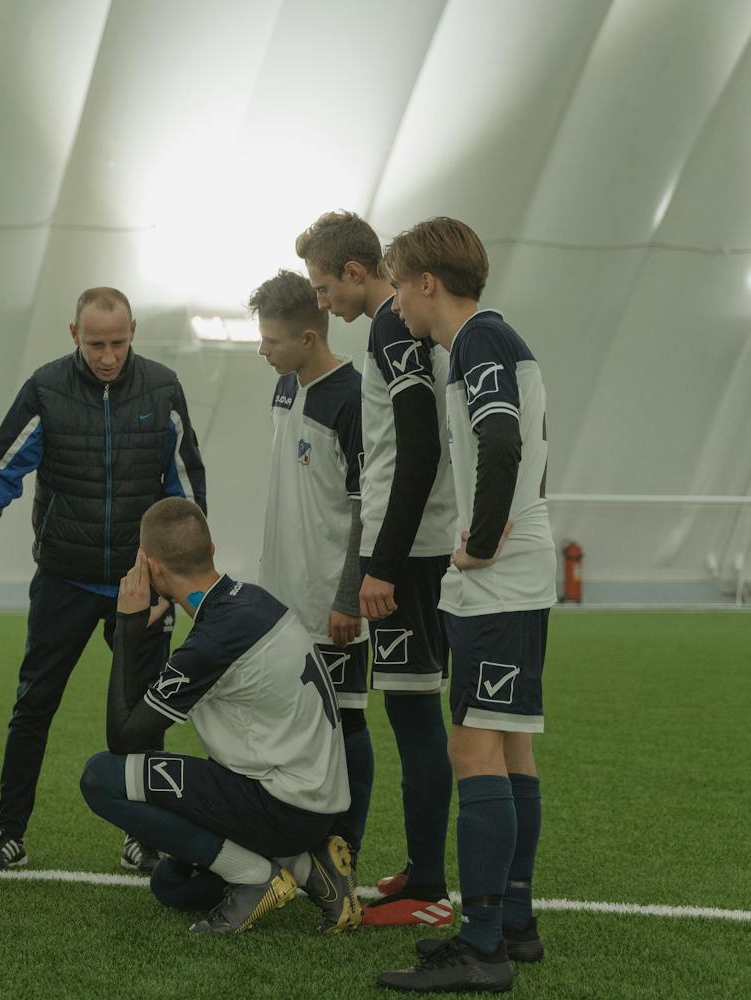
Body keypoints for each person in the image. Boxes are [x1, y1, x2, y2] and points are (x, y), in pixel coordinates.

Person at [0, 287, 206, 873]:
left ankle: (144, 834)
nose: (107, 356)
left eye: (118, 342)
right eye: (94, 343)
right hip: (64, 579)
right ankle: (9, 833)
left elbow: (186, 489)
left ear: (133, 330)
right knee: (34, 704)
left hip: (141, 586)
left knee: (146, 713)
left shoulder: (162, 388)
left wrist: (181, 582)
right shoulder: (46, 388)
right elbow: (4, 469)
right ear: (73, 333)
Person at [376, 217, 552, 993]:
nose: (395, 306)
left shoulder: (479, 341)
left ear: (424, 283)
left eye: (397, 286)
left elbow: (502, 441)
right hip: (515, 577)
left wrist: (479, 541)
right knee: (510, 748)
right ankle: (513, 925)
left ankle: (480, 947)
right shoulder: (492, 341)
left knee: (473, 749)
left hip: (500, 580)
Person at [79, 498, 361, 935]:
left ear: (150, 568)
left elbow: (124, 737)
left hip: (281, 806)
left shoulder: (215, 641)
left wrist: (127, 625)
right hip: (305, 805)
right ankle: (309, 868)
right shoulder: (252, 602)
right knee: (173, 886)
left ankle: (256, 877)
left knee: (101, 776)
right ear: (212, 550)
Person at [299, 211, 458, 928]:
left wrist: (381, 564)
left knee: (417, 714)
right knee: (413, 711)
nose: (322, 301)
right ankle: (423, 871)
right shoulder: (400, 327)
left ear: (357, 273)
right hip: (419, 546)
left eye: (325, 286)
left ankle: (429, 891)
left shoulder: (393, 325)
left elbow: (417, 450)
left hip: (413, 553)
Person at [247, 269, 374, 875]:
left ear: (307, 335)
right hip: (283, 602)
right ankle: (295, 848)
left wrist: (347, 597)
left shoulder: (351, 396)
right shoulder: (285, 387)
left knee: (346, 721)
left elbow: (363, 509)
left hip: (331, 604)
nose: (262, 350)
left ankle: (344, 856)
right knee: (293, 723)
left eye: (270, 340)